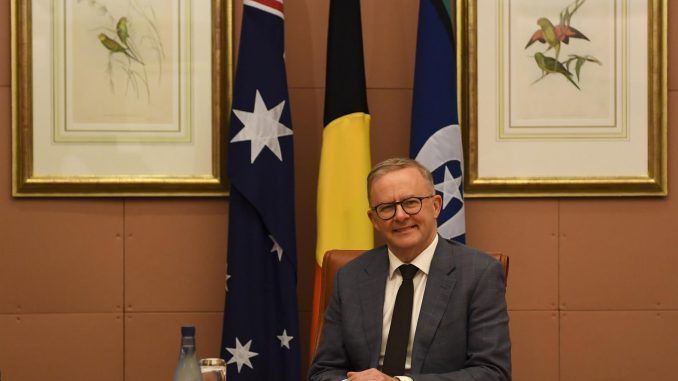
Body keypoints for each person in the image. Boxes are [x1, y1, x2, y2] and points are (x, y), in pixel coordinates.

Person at [309, 158, 511, 381]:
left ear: (435, 206)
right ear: (373, 219)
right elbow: (323, 372)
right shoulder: (350, 277)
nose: (401, 216)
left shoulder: (478, 273)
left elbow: (492, 373)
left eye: (411, 202)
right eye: (386, 208)